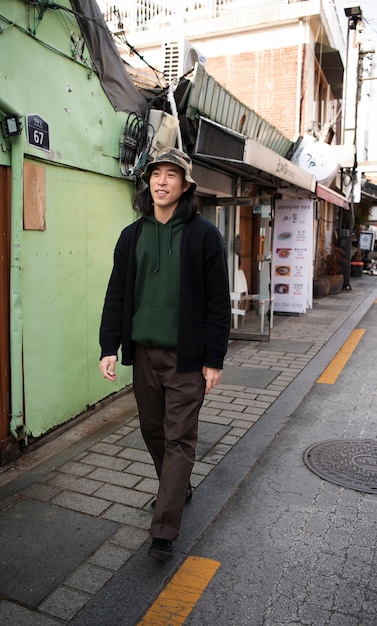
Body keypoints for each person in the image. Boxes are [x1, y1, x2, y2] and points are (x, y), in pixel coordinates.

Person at [99, 147, 231, 561]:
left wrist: (214, 360)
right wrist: (109, 346)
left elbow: (217, 303)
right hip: (143, 355)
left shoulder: (204, 235)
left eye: (171, 175)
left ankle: (164, 527)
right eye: (156, 174)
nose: (161, 181)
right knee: (153, 432)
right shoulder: (131, 236)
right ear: (148, 182)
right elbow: (116, 293)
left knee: (179, 438)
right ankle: (178, 487)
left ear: (186, 185)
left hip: (187, 358)